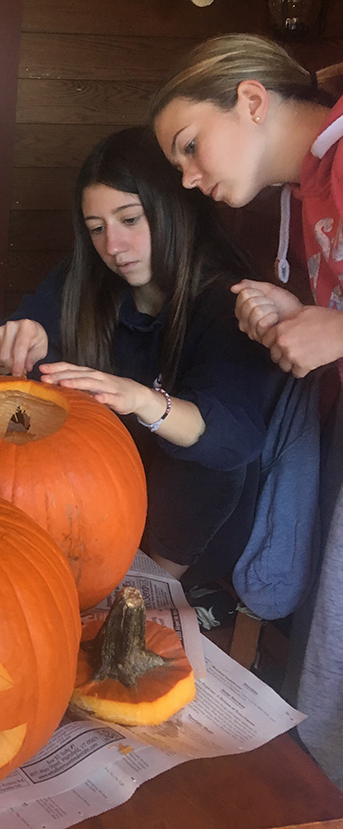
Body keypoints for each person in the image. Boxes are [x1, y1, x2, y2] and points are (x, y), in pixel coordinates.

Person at [0, 126, 284, 592]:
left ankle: (145, 589)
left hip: (183, 541)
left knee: (204, 458)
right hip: (83, 512)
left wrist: (142, 400)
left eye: (130, 219)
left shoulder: (228, 300)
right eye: (97, 229)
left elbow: (233, 439)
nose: (113, 246)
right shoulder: (82, 281)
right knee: (14, 411)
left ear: (172, 207)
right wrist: (3, 345)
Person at [148, 32, 343, 788]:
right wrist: (299, 313)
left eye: (191, 147)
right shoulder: (302, 191)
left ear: (252, 100)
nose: (191, 179)